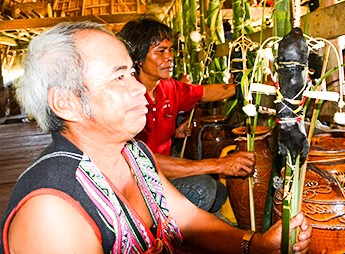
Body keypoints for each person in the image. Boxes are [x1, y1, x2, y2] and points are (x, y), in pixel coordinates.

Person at [0, 21, 312, 254]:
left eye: (132, 74)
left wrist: (257, 246)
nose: (137, 88)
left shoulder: (133, 154)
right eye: (119, 77)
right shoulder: (53, 212)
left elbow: (187, 219)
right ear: (66, 102)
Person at [119, 18, 255, 213]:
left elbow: (206, 92)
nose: (169, 57)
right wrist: (219, 165)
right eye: (160, 51)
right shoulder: (128, 97)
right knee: (202, 189)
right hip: (137, 184)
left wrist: (242, 88)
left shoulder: (169, 87)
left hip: (162, 177)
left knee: (218, 192)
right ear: (139, 59)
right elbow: (144, 160)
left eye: (171, 50)